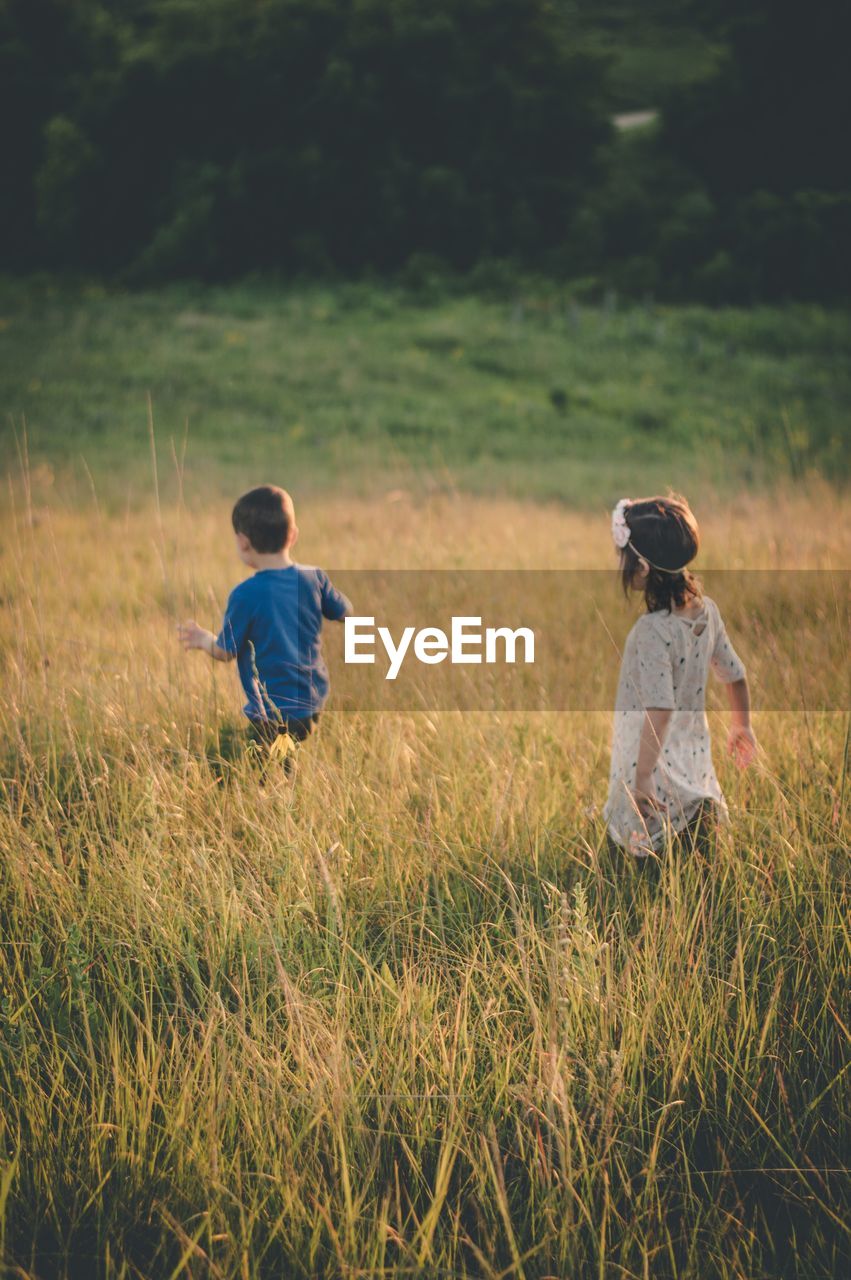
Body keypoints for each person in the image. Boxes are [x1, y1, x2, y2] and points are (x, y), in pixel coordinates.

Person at [604, 494, 757, 859]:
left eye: (622, 556)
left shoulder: (652, 631)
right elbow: (735, 674)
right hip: (694, 751)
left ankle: (642, 881)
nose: (618, 563)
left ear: (641, 569)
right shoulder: (707, 613)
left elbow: (660, 707)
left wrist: (642, 776)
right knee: (690, 828)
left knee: (640, 841)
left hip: (651, 757)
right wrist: (742, 724)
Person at [178, 485, 351, 771]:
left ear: (243, 542)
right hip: (313, 701)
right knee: (284, 753)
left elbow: (224, 651)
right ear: (293, 535)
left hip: (270, 712)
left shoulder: (245, 594)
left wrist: (204, 639)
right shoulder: (314, 578)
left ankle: (277, 797)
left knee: (261, 770)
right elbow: (346, 612)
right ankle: (287, 776)